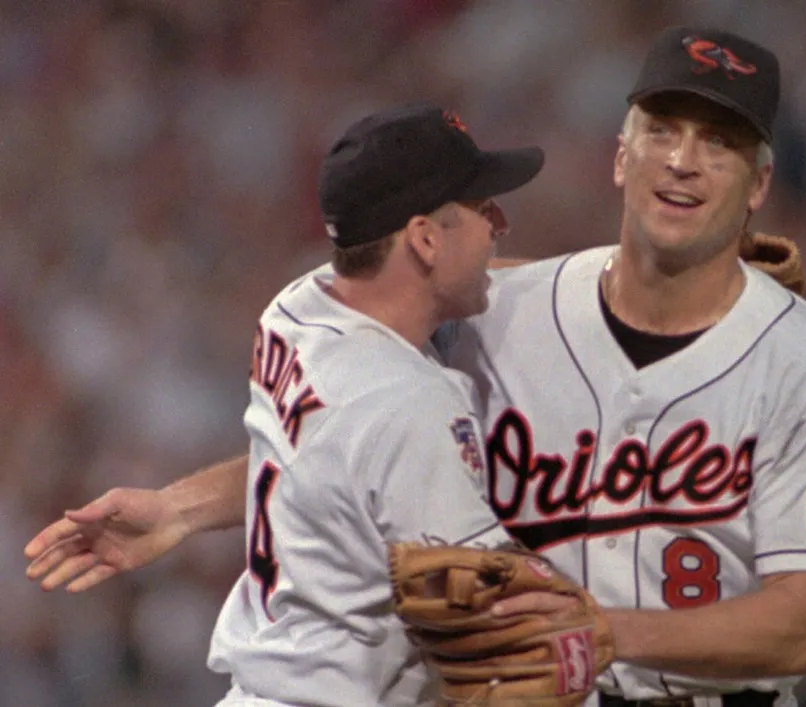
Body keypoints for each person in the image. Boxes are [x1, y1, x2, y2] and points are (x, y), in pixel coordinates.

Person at [26, 27, 806, 707]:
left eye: (720, 143)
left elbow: (802, 626)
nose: (683, 160)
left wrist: (612, 632)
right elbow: (344, 451)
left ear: (759, 183)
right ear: (621, 155)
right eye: (661, 131)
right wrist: (182, 507)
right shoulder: (493, 310)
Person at [84, 102, 547, 707]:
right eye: (482, 208)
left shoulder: (298, 308)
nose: (500, 225)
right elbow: (496, 623)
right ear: (425, 238)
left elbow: (316, 463)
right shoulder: (409, 404)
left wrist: (178, 507)